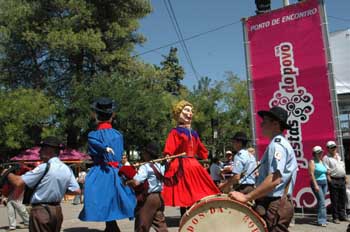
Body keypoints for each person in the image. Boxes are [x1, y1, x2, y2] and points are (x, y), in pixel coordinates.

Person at [228, 106, 298, 232]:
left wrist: (246, 197)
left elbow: (274, 179)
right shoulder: (277, 143)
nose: (261, 124)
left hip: (275, 203)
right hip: (275, 202)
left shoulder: (277, 145)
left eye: (265, 120)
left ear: (275, 124)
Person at [79, 97, 136, 232]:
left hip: (101, 172)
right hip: (117, 171)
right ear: (113, 116)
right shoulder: (118, 135)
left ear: (96, 116)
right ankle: (111, 226)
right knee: (118, 200)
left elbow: (95, 151)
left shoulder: (93, 135)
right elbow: (119, 153)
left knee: (102, 201)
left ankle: (111, 227)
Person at [2, 136, 81, 232]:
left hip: (41, 211)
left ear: (49, 150)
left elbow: (17, 182)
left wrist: (5, 172)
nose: (39, 152)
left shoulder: (44, 167)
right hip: (57, 211)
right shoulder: (66, 169)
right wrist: (57, 189)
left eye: (42, 150)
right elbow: (76, 190)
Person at [162, 100, 220, 216]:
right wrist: (168, 155)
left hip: (193, 164)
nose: (190, 113)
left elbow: (200, 148)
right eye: (187, 110)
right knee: (184, 192)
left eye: (191, 111)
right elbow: (170, 147)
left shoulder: (193, 133)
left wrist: (206, 154)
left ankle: (199, 213)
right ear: (178, 113)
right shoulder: (175, 132)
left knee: (200, 190)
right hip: (181, 165)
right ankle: (185, 215)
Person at [126, 142, 168, 232]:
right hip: (159, 198)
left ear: (148, 154)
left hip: (149, 198)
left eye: (144, 153)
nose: (143, 154)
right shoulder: (160, 166)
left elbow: (136, 182)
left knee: (142, 225)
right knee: (160, 226)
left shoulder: (145, 167)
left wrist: (127, 182)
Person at [322, 140, 348, 223]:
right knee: (335, 200)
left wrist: (345, 177)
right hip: (334, 179)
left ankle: (342, 216)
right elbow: (326, 169)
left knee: (342, 199)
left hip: (342, 179)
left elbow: (342, 167)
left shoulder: (339, 156)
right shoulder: (326, 158)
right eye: (331, 147)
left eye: (334, 147)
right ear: (328, 149)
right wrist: (329, 179)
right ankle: (335, 217)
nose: (334, 149)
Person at [1, 166, 30, 230]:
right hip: (12, 191)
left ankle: (28, 222)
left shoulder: (11, 172)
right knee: (10, 207)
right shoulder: (6, 174)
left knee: (19, 206)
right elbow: (5, 186)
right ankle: (12, 226)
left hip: (18, 189)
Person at [308, 146, 328, 227]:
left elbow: (325, 172)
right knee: (322, 202)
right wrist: (315, 184)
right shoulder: (312, 162)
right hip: (317, 183)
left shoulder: (322, 161)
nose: (320, 154)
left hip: (324, 183)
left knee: (321, 202)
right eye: (318, 152)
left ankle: (322, 219)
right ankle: (321, 220)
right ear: (314, 153)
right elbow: (311, 174)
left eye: (321, 152)